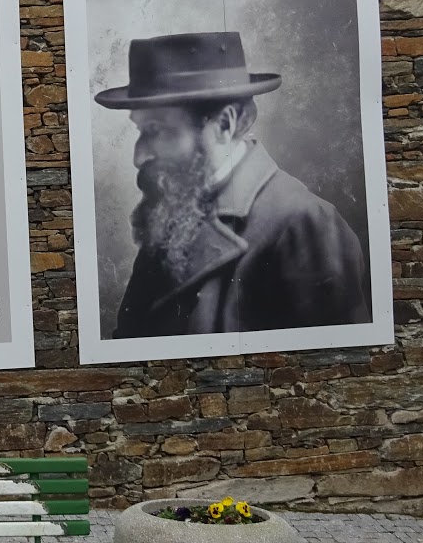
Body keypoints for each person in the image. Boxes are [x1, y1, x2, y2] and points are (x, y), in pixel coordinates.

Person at [95, 31, 369, 340]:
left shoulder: (304, 226)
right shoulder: (173, 209)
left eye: (157, 130)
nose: (139, 156)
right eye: (140, 130)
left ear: (225, 124)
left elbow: (332, 359)